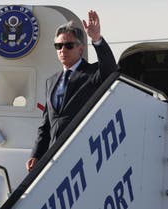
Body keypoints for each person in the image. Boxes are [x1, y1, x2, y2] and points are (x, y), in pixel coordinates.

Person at [26, 10, 117, 171]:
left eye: (68, 45)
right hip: (53, 157)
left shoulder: (92, 73)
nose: (63, 50)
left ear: (81, 49)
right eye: (58, 46)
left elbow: (110, 70)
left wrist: (96, 39)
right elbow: (47, 125)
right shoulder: (51, 82)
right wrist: (36, 155)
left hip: (82, 153)